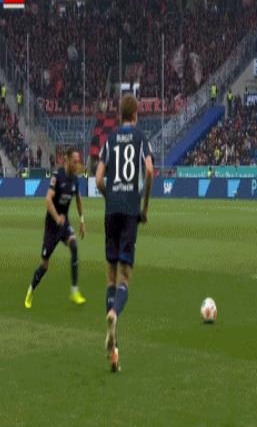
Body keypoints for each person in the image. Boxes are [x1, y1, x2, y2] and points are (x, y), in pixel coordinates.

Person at [95, 94, 153, 372]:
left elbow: (98, 179)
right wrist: (144, 206)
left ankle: (114, 349)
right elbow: (149, 171)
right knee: (125, 278)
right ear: (136, 114)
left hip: (111, 211)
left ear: (120, 114)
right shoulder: (140, 138)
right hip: (130, 210)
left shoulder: (110, 139)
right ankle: (114, 313)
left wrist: (110, 197)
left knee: (110, 276)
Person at [24, 147, 87, 309]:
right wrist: (57, 217)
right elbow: (48, 199)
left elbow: (79, 199)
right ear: (67, 160)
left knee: (74, 246)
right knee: (44, 265)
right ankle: (31, 290)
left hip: (64, 224)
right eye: (74, 161)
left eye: (78, 161)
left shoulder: (75, 179)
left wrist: (82, 220)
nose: (77, 164)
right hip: (52, 227)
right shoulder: (57, 176)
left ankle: (74, 291)